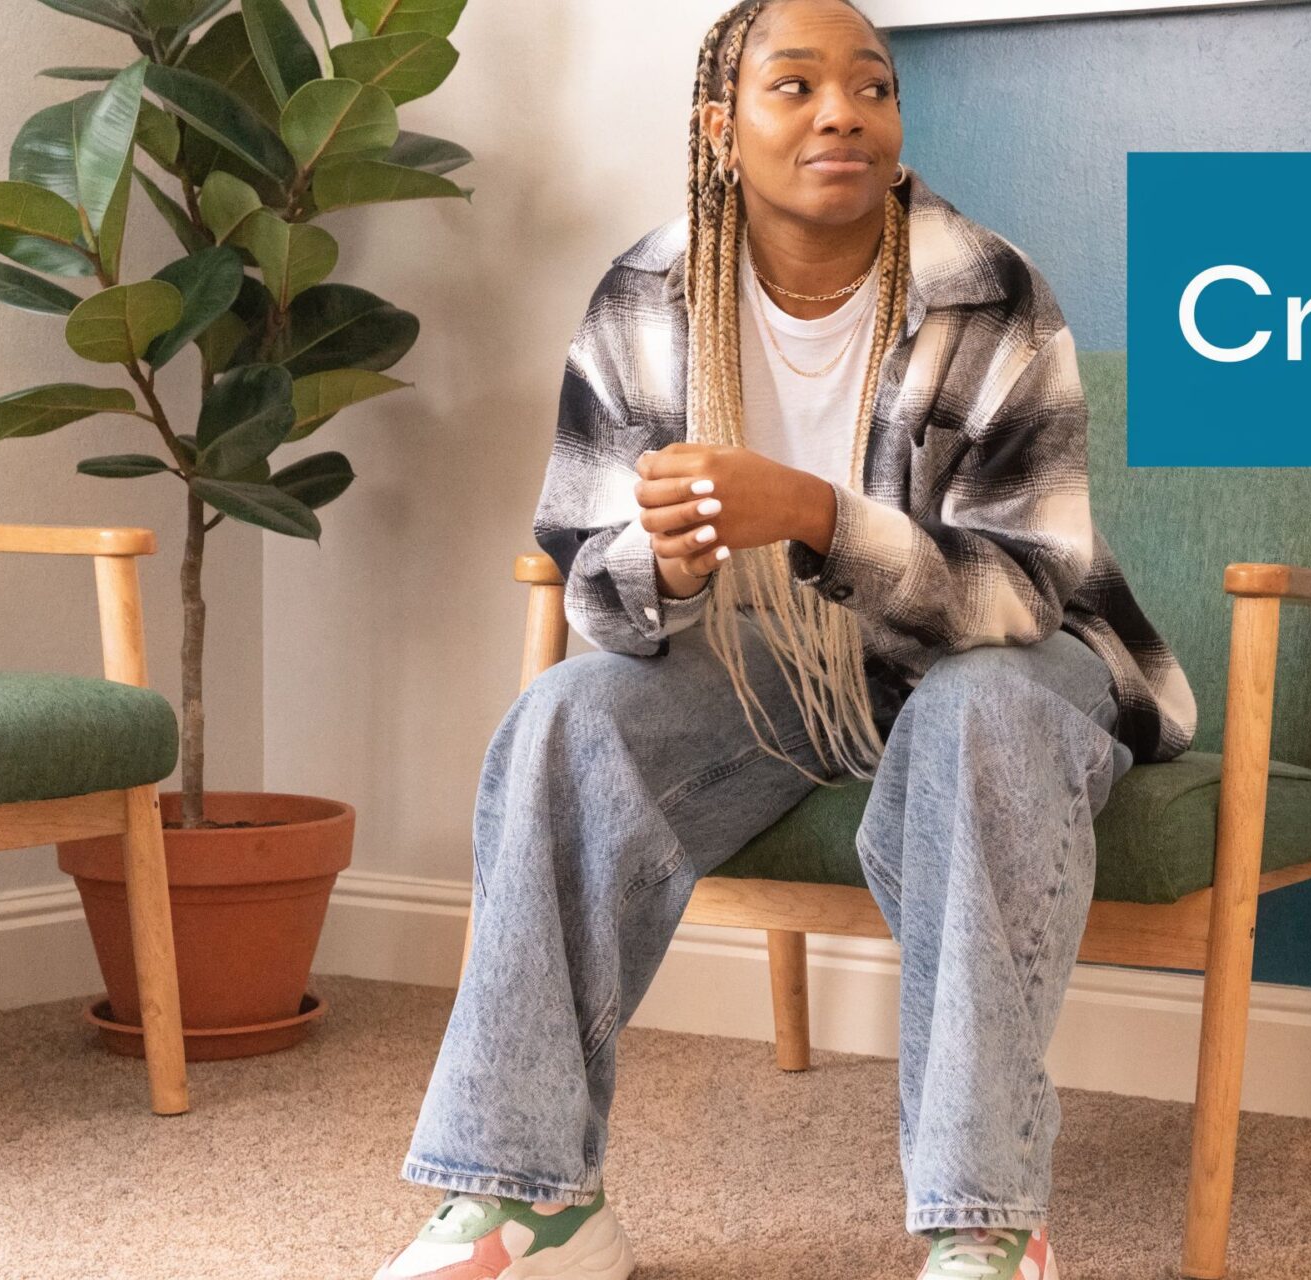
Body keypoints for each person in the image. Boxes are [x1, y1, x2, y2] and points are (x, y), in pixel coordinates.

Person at [370, 1, 1198, 1277]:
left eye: (871, 87)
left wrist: (818, 515)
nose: (842, 114)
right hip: (771, 667)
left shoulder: (988, 290)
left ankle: (985, 1223)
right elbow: (587, 568)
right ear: (721, 128)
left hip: (998, 662)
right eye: (796, 86)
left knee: (980, 708)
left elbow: (1030, 588)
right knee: (565, 714)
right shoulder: (643, 296)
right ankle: (528, 1202)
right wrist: (662, 560)